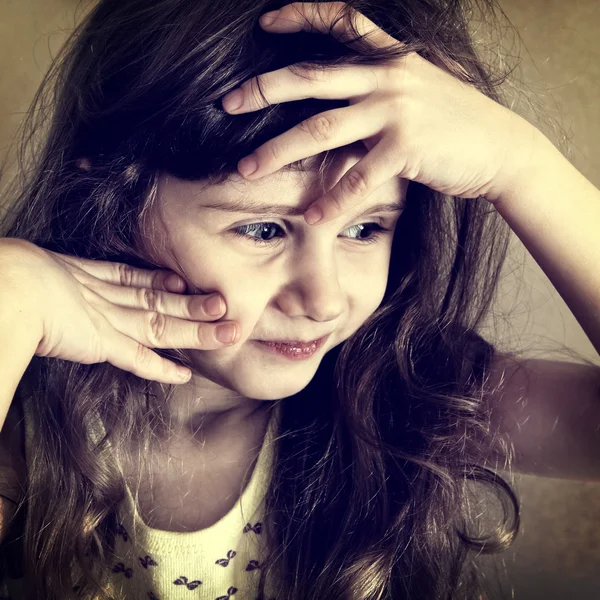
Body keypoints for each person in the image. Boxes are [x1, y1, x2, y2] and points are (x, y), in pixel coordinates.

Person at [0, 0, 599, 599]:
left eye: (364, 230)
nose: (323, 299)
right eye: (263, 229)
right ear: (109, 195)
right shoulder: (24, 411)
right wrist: (10, 294)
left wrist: (521, 166)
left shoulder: (403, 394)